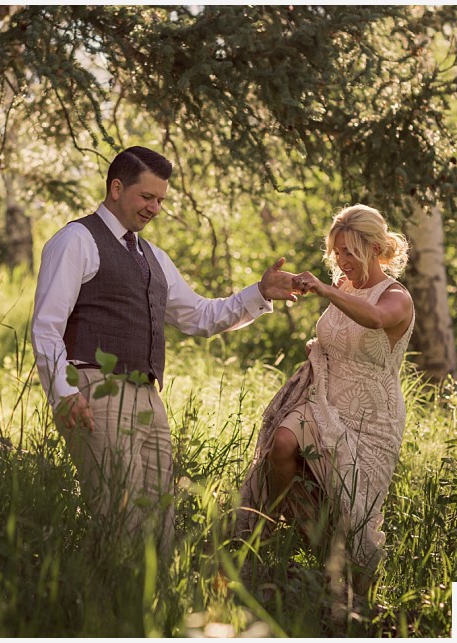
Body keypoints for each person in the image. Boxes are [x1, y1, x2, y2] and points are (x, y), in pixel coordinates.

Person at [31, 146, 299, 554]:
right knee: (119, 518)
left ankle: (153, 611)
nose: (155, 208)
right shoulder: (76, 240)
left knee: (159, 523)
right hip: (94, 389)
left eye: (161, 200)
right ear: (116, 188)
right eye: (147, 197)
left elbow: (200, 316)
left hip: (147, 397)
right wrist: (64, 394)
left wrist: (260, 293)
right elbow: (47, 326)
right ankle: (110, 610)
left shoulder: (153, 256)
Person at [236, 203, 415, 597]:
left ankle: (353, 592)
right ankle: (292, 528)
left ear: (374, 247)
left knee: (355, 509)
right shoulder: (345, 288)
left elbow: (374, 319)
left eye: (350, 251)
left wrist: (325, 288)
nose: (342, 260)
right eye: (337, 251)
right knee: (280, 444)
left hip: (372, 416)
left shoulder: (396, 296)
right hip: (322, 400)